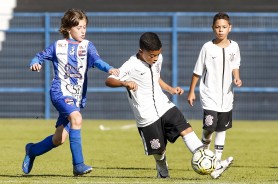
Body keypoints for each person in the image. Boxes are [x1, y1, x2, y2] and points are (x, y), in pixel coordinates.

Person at [22, 8, 119, 176]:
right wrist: (34, 63)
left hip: (75, 97)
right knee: (77, 118)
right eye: (79, 27)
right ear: (68, 29)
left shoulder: (87, 46)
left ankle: (32, 150)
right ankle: (78, 165)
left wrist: (109, 68)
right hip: (59, 92)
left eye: (84, 27)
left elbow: (98, 61)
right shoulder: (57, 46)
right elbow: (39, 56)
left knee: (58, 139)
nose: (83, 31)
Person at [105, 32, 205, 179]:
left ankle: (210, 162)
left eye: (158, 54)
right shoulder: (130, 65)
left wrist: (170, 89)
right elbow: (109, 80)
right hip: (146, 114)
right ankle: (162, 170)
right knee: (159, 151)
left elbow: (156, 78)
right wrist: (124, 83)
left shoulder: (158, 59)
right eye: (152, 55)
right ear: (141, 51)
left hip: (163, 105)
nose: (155, 58)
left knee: (186, 129)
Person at [187, 12, 242, 179]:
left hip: (227, 95)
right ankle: (205, 148)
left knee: (222, 128)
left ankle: (217, 163)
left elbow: (235, 65)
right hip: (209, 94)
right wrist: (191, 92)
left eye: (224, 27)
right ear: (213, 28)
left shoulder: (234, 46)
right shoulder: (207, 47)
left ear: (229, 28)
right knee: (210, 127)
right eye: (217, 27)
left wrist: (237, 77)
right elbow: (197, 71)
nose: (221, 30)